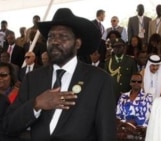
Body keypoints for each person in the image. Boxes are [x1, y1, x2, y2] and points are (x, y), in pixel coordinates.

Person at [3, 8, 116, 141]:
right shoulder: (32, 79)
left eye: (63, 36)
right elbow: (8, 126)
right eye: (51, 37)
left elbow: (107, 134)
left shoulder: (99, 80)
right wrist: (36, 104)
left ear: (77, 43)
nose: (55, 42)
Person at [116, 73, 153, 140]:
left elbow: (148, 116)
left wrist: (132, 123)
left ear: (141, 83)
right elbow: (118, 115)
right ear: (130, 83)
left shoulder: (147, 97)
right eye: (134, 81)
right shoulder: (123, 96)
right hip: (123, 130)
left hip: (139, 131)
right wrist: (124, 124)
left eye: (139, 82)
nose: (136, 83)